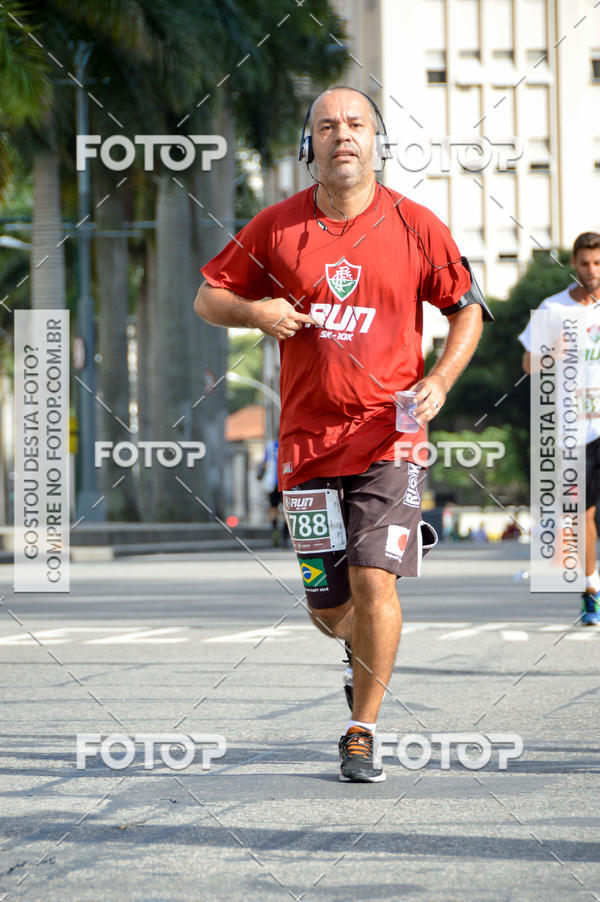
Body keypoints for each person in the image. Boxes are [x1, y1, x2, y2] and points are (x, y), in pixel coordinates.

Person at [195, 86, 487, 782]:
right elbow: (208, 297)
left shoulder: (417, 226)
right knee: (331, 612)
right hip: (305, 444)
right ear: (310, 146)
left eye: (356, 124)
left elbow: (467, 310)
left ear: (377, 142)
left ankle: (362, 727)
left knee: (375, 580)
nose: (342, 135)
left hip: (393, 435)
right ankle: (359, 658)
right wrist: (257, 310)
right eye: (327, 126)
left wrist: (441, 380)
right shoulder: (275, 228)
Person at [519, 232, 600, 626]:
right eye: (585, 263)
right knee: (581, 515)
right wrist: (551, 354)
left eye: (598, 263)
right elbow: (527, 365)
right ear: (574, 263)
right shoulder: (553, 309)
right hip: (572, 429)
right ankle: (590, 591)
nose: (591, 271)